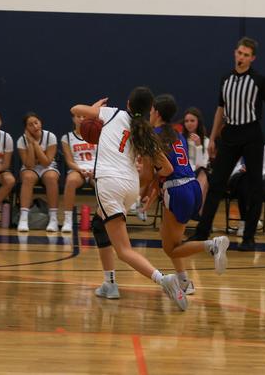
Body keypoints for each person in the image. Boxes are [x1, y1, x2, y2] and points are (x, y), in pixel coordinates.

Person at [70, 89, 188, 310]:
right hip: (131, 187)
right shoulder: (144, 131)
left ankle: (163, 280)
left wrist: (96, 108)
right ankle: (109, 284)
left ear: (128, 103)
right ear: (148, 110)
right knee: (99, 224)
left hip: (109, 183)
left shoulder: (112, 113)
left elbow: (75, 109)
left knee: (124, 250)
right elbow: (166, 168)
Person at [190, 37, 265, 252]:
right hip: (230, 134)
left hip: (251, 133)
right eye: (239, 53)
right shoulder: (226, 79)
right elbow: (220, 109)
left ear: (252, 58)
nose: (241, 57)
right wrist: (212, 138)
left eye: (246, 55)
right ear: (235, 53)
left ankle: (249, 237)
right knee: (216, 183)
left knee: (256, 186)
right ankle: (202, 231)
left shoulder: (260, 80)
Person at [141, 94, 229, 294]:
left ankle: (212, 245)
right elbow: (164, 172)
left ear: (156, 112)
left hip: (177, 190)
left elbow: (161, 171)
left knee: (171, 248)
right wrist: (152, 197)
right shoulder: (176, 134)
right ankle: (184, 283)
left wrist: (139, 191)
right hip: (192, 186)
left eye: (151, 110)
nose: (149, 114)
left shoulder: (152, 137)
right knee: (169, 240)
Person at [16, 113, 60, 233]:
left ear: (40, 123)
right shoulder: (21, 140)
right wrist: (30, 144)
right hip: (31, 168)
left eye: (36, 122)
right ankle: (24, 218)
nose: (35, 126)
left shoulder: (50, 136)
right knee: (28, 177)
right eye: (30, 125)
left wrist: (35, 143)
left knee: (51, 177)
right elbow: (29, 164)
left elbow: (46, 162)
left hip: (48, 166)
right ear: (26, 128)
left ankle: (53, 219)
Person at [60, 114, 96, 233]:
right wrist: (80, 170)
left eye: (84, 116)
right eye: (78, 116)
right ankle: (68, 220)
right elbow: (69, 161)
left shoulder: (97, 135)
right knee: (70, 181)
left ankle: (102, 219)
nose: (81, 119)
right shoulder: (67, 137)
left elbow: (103, 157)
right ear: (73, 119)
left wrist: (95, 170)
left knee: (104, 184)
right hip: (77, 169)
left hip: (95, 169)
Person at [183, 107, 211, 204]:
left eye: (192, 121)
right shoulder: (180, 140)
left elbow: (202, 165)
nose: (189, 123)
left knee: (203, 174)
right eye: (186, 121)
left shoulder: (206, 141)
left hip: (198, 172)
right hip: (183, 172)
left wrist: (198, 146)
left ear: (198, 122)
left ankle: (198, 210)